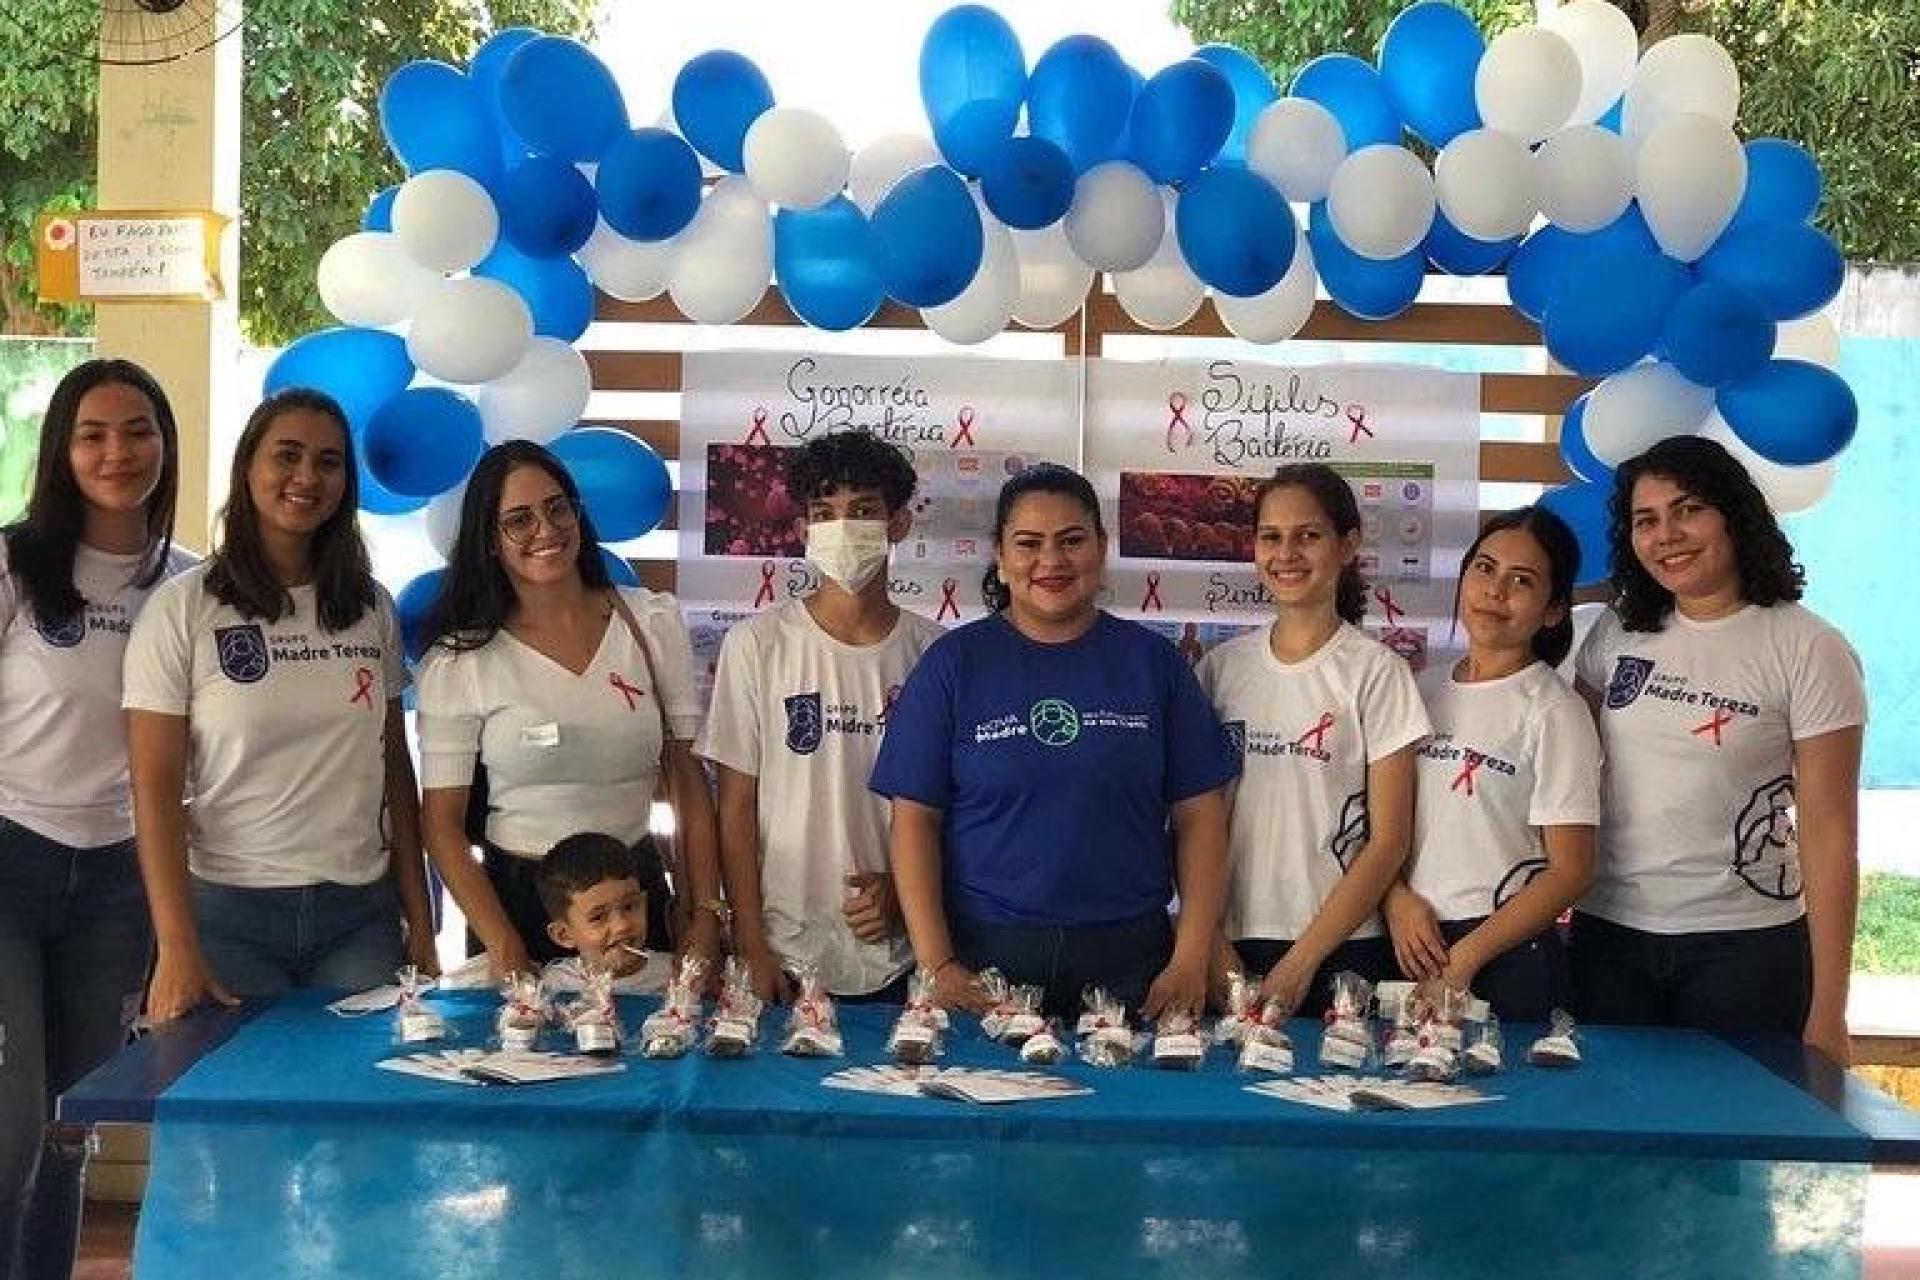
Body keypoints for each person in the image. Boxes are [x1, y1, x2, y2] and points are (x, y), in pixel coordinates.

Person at [870, 463, 1237, 1019]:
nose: (1051, 561)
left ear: (1102, 547)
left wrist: (1189, 958)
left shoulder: (1153, 664)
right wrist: (938, 964)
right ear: (1000, 553)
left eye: (1071, 541)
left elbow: (1200, 817)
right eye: (1028, 543)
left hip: (1131, 960)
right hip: (987, 959)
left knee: (1126, 1104)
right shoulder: (954, 664)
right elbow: (914, 818)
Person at [125, 388, 436, 1022]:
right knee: (230, 1116)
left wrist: (422, 923)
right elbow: (152, 790)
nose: (306, 477)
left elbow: (394, 774)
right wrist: (178, 947)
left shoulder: (369, 606)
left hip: (358, 917)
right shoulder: (184, 607)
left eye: (328, 462)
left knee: (352, 1112)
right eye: (286, 456)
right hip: (228, 917)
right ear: (248, 467)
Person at [1572, 434, 1865, 1063]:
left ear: (1735, 515)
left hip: (1745, 948)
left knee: (1727, 1156)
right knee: (1613, 1150)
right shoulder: (1620, 628)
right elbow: (1565, 772)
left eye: (1688, 509)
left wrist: (1831, 1010)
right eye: (1646, 521)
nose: (1667, 535)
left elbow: (1831, 831)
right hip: (1609, 937)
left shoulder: (1808, 647)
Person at [0, 359, 186, 1280]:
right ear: (61, 451)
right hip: (11, 862)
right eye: (94, 433)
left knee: (71, 1127)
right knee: (9, 1128)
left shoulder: (188, 586)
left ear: (167, 442)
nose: (119, 452)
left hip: (120, 880)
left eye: (139, 430)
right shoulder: (13, 563)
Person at [415, 441, 721, 981]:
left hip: (633, 900)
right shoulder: (459, 661)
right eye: (518, 520)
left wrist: (704, 913)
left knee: (649, 1057)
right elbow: (441, 825)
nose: (545, 529)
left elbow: (686, 778)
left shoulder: (650, 623)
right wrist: (504, 943)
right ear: (489, 541)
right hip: (515, 906)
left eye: (558, 507)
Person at [697, 431, 940, 1004]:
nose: (843, 529)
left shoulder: (936, 653)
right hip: (782, 951)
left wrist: (905, 895)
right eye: (824, 514)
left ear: (898, 524)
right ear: (804, 531)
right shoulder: (757, 644)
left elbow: (948, 809)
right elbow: (734, 805)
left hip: (901, 952)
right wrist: (750, 940)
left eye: (862, 511)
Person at [1197, 463, 1430, 1019]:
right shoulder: (1218, 671)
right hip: (1227, 942)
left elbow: (1389, 840)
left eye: (1308, 535)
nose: (1287, 553)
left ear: (1347, 545)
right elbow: (1187, 824)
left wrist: (1301, 964)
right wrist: (1209, 943)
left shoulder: (1377, 672)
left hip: (1342, 947)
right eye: (1271, 537)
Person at [1385, 506, 1599, 1021]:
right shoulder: (1418, 690)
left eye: (1521, 581)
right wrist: (1395, 901)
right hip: (1411, 944)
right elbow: (1381, 827)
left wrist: (1467, 959)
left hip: (1506, 954)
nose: (1495, 591)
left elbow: (1572, 870)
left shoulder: (1554, 709)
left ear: (1552, 610)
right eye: (1484, 569)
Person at [534, 833, 676, 995]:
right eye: (598, 917)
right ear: (563, 935)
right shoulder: (555, 985)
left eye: (629, 906)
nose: (622, 925)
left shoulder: (674, 976)